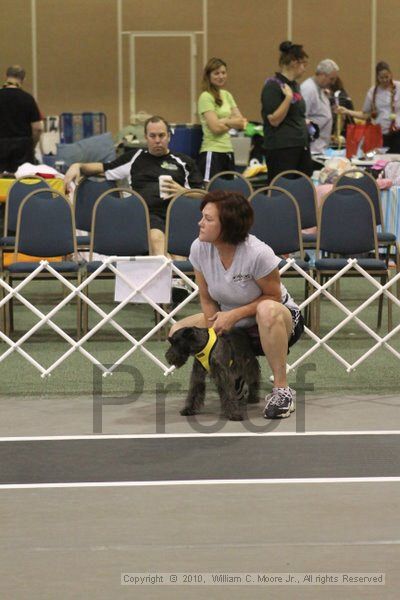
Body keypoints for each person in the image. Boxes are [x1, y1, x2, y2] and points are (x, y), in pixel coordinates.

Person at [169, 190, 304, 419]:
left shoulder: (258, 253)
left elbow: (272, 296)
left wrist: (234, 316)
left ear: (228, 225)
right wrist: (214, 334)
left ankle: (282, 391)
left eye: (208, 219)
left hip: (276, 319)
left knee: (267, 311)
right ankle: (236, 376)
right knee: (176, 331)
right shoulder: (199, 248)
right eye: (202, 216)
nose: (200, 223)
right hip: (230, 319)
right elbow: (206, 298)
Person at [64, 115, 204, 255]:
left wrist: (183, 191)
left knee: (178, 250)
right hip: (147, 216)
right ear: (146, 137)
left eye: (161, 136)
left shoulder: (184, 162)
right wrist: (78, 166)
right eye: (152, 136)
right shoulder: (134, 158)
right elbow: (103, 168)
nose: (157, 141)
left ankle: (174, 274)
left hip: (178, 215)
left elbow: (204, 195)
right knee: (156, 238)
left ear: (169, 136)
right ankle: (169, 276)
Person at [261, 41, 313, 183]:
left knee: (303, 187)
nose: (304, 68)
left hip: (300, 144)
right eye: (303, 64)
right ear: (293, 63)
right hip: (282, 148)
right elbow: (274, 120)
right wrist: (288, 98)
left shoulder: (294, 85)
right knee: (282, 189)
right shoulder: (273, 85)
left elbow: (295, 114)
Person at [197, 58, 247, 181]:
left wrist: (224, 121)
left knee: (227, 196)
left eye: (223, 73)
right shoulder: (205, 97)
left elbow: (242, 123)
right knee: (211, 193)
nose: (221, 76)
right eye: (216, 73)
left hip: (228, 151)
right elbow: (215, 128)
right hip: (212, 152)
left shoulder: (227, 95)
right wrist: (230, 121)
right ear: (209, 76)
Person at [337, 61, 400, 153]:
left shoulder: (398, 87)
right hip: (381, 134)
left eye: (387, 77)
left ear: (391, 74)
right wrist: (347, 111)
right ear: (377, 77)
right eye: (381, 78)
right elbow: (365, 114)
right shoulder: (372, 92)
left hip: (397, 132)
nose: (385, 80)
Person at [0, 65, 43, 173]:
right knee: (23, 180)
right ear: (23, 79)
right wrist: (32, 145)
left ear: (6, 76)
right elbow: (37, 128)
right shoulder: (28, 99)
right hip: (23, 148)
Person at [301, 59, 340, 153]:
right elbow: (301, 118)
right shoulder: (308, 89)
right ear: (322, 75)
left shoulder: (321, 89)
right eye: (331, 79)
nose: (333, 83)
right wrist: (313, 133)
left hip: (320, 148)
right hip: (311, 148)